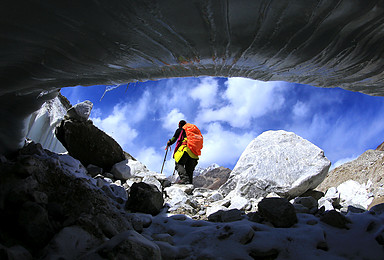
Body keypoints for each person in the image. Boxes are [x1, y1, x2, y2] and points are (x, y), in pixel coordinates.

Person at [167, 120, 199, 184]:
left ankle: (184, 179)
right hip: (194, 151)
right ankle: (189, 184)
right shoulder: (191, 132)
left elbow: (174, 139)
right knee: (189, 169)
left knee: (178, 163)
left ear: (179, 125)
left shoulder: (180, 130)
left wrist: (169, 142)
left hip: (185, 148)